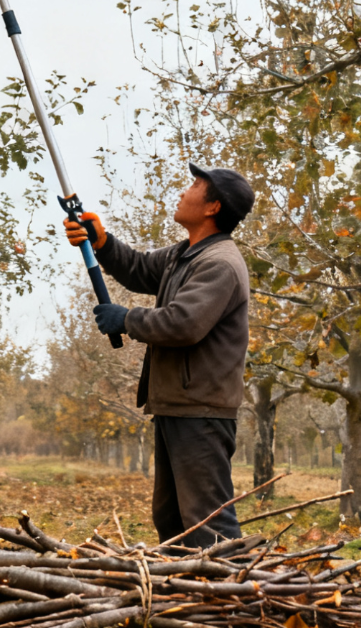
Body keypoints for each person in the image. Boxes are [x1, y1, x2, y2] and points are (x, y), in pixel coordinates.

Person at [64, 164, 255, 548]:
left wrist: (126, 319)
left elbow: (184, 323)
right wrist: (102, 242)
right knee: (170, 518)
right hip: (176, 403)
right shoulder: (185, 254)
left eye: (195, 186)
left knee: (208, 521)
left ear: (212, 207)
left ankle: (231, 596)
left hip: (201, 407)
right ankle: (187, 591)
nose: (184, 192)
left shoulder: (219, 264)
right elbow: (138, 269)